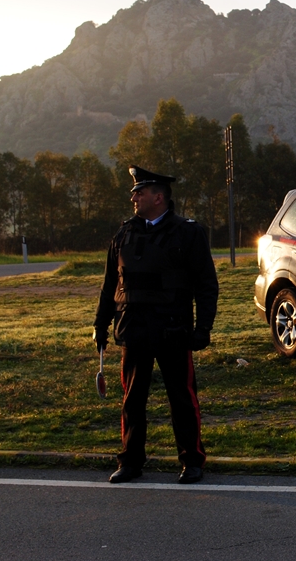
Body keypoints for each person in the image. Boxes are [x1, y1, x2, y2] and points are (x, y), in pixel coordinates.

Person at [94, 166, 219, 484]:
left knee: (182, 399)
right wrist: (100, 325)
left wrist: (203, 327)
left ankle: (192, 461)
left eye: (140, 192)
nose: (134, 197)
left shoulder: (188, 233)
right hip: (134, 329)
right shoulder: (124, 234)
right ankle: (130, 461)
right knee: (132, 399)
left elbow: (206, 284)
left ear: (158, 197)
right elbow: (111, 285)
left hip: (172, 330)